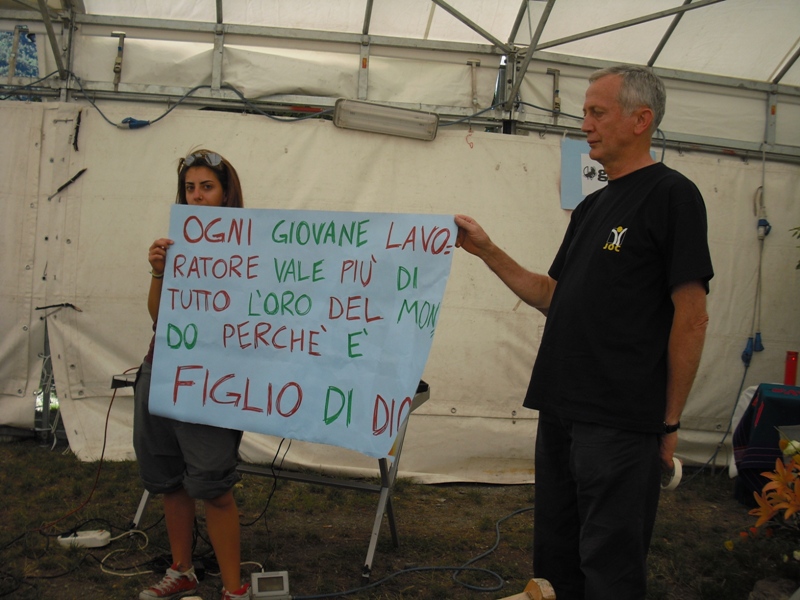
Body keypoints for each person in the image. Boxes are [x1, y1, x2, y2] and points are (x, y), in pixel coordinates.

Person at [454, 65, 713, 599]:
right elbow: (553, 295)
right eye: (585, 112)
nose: (585, 124)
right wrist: (486, 250)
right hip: (561, 408)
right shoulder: (594, 205)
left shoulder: (673, 195)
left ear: (641, 120)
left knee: (610, 566)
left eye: (598, 112)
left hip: (619, 421)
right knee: (555, 562)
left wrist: (669, 421)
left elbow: (692, 317)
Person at [134, 149, 251, 600]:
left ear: (226, 194)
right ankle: (181, 570)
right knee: (169, 480)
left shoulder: (253, 246)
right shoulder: (175, 247)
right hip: (163, 369)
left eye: (207, 187)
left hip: (212, 381)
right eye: (190, 188)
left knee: (213, 485)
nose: (197, 196)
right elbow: (158, 318)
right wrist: (157, 272)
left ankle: (233, 588)